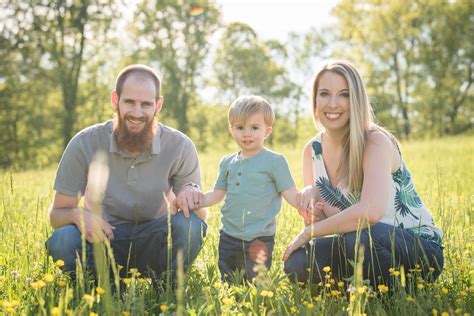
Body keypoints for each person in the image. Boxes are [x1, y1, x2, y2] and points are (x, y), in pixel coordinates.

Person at [283, 60, 443, 289]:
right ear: (315, 100)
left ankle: (387, 297)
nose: (333, 103)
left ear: (356, 99)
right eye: (325, 94)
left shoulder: (375, 141)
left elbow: (369, 213)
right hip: (359, 246)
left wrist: (310, 231)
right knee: (298, 261)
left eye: (344, 94)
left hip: (416, 251)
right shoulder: (312, 150)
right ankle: (356, 291)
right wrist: (313, 215)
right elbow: (330, 224)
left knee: (359, 236)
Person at [46, 64, 207, 281]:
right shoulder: (84, 143)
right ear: (115, 100)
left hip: (157, 240)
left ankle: (166, 286)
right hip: (103, 240)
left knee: (190, 226)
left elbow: (198, 221)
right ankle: (104, 288)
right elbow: (57, 215)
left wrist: (190, 199)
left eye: (146, 104)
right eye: (129, 102)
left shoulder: (180, 145)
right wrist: (77, 214)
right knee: (62, 240)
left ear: (158, 105)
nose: (137, 112)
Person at [174, 95, 320, 282]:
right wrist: (194, 199)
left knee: (255, 282)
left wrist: (306, 203)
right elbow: (216, 195)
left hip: (259, 238)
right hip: (228, 235)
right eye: (240, 127)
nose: (246, 133)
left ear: (267, 131)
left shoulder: (275, 161)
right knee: (228, 280)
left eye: (254, 128)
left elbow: (290, 193)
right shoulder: (227, 163)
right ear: (231, 130)